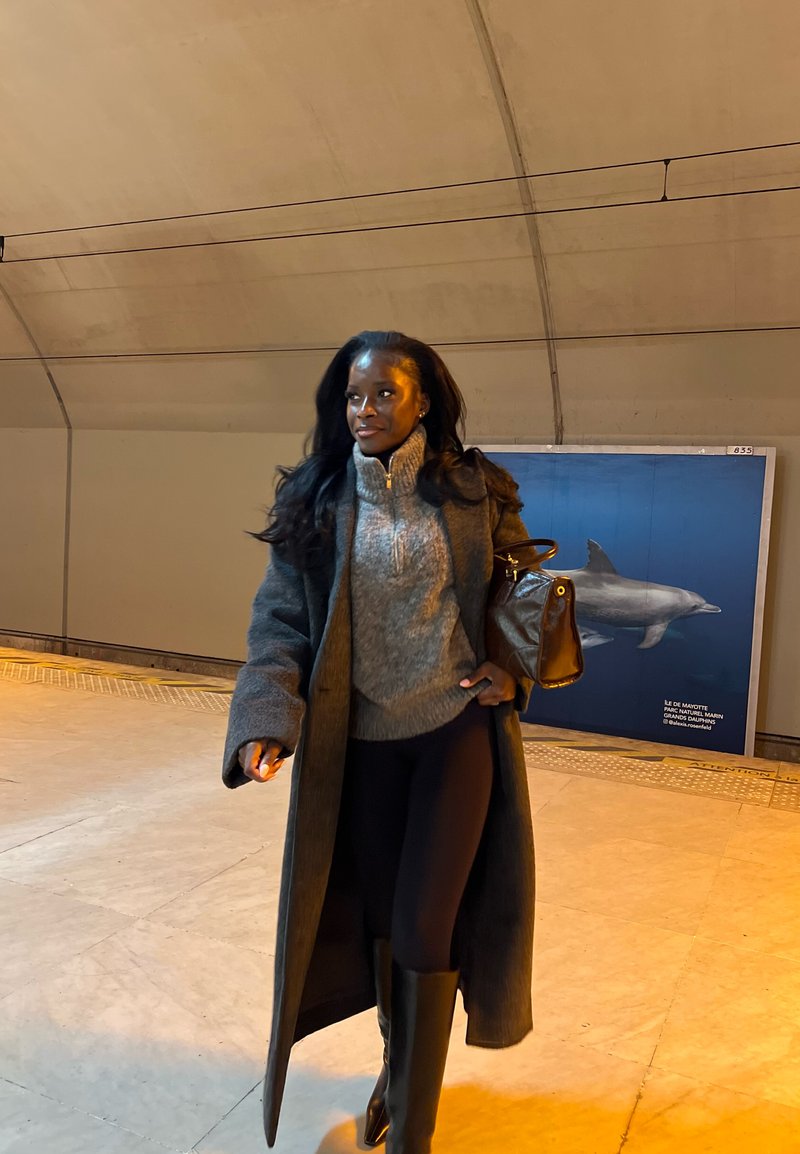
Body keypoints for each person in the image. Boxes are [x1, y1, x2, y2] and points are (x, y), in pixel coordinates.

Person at [222, 331, 535, 1153]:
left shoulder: (475, 491)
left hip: (453, 735)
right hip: (358, 748)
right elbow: (280, 622)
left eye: (385, 393)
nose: (366, 409)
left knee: (428, 926)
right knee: (382, 925)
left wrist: (510, 669)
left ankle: (411, 1140)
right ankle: (398, 1075)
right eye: (354, 396)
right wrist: (266, 719)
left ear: (422, 400)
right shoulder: (317, 498)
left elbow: (518, 589)